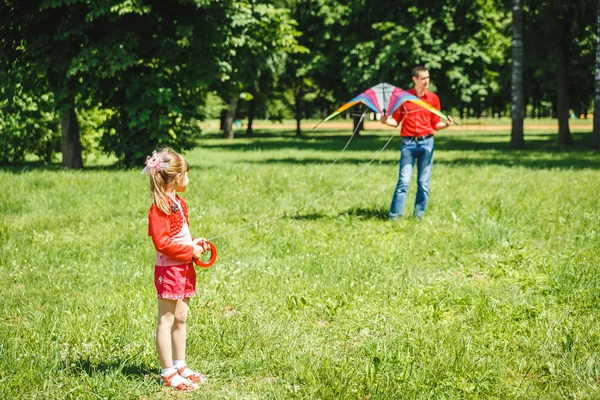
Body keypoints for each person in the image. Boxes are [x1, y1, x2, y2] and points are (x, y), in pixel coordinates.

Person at [143, 148, 210, 392]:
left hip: (184, 268)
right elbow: (162, 243)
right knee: (166, 320)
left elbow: (179, 235)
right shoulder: (159, 207)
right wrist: (188, 251)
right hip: (169, 270)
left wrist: (193, 244)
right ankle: (167, 372)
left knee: (181, 318)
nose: (188, 180)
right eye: (187, 174)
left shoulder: (178, 203)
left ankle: (180, 365)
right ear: (178, 177)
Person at [381, 66, 454, 220]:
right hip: (408, 144)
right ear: (414, 79)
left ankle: (418, 217)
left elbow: (435, 124)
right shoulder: (404, 97)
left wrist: (446, 124)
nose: (426, 81)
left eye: (428, 78)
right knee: (404, 181)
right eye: (423, 78)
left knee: (423, 183)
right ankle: (395, 217)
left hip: (427, 143)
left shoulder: (433, 99)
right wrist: (385, 120)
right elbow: (395, 121)